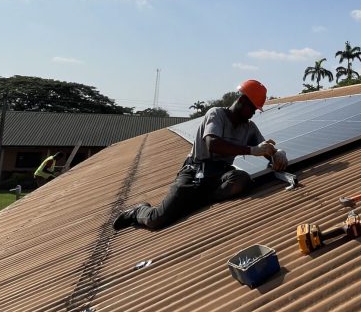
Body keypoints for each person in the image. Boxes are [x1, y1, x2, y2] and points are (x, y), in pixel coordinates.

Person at [113, 79, 288, 231]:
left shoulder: (248, 128)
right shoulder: (217, 114)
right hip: (195, 172)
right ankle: (138, 211)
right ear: (243, 101)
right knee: (157, 219)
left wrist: (277, 153)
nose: (253, 113)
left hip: (220, 174)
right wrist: (251, 150)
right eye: (253, 108)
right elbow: (212, 144)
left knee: (241, 179)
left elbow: (265, 149)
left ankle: (197, 198)